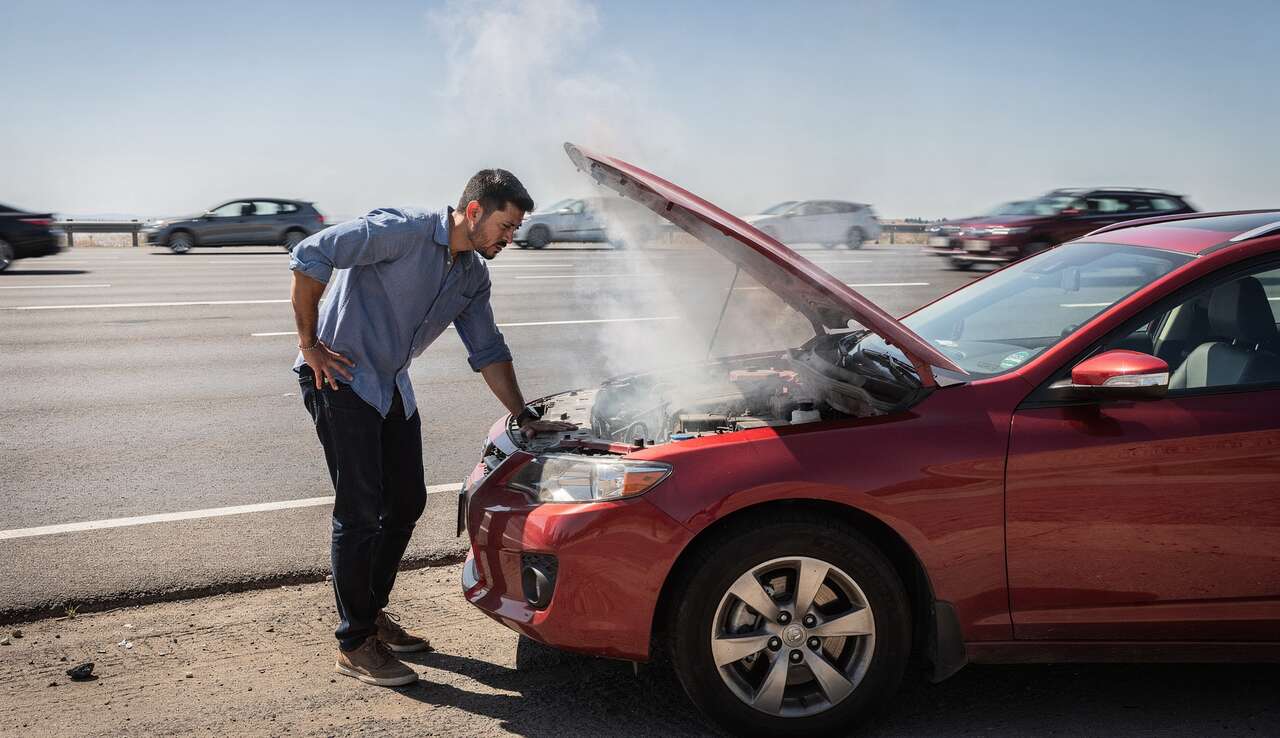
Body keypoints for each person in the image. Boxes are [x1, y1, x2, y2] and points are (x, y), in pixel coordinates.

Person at [289, 169, 576, 687]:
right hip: (340, 378)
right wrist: (310, 345)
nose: (510, 239)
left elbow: (487, 350)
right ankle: (354, 643)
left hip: (390, 385)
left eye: (513, 230)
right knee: (359, 510)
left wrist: (523, 415)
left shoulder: (471, 276)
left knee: (406, 502)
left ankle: (371, 614)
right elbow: (311, 252)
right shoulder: (403, 231)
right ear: (474, 212)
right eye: (505, 227)